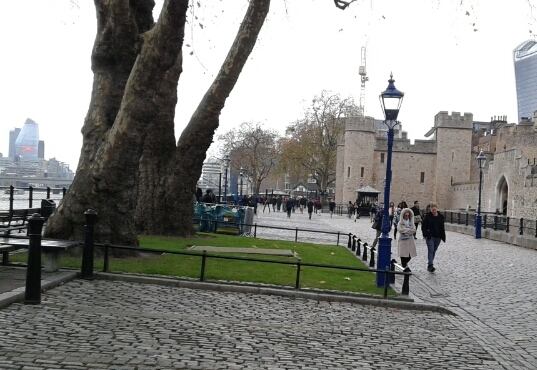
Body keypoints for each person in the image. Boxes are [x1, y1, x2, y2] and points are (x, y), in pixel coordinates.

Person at [421, 203, 446, 272]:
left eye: (434, 209)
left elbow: (442, 227)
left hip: (438, 237)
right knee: (431, 250)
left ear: (437, 209)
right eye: (432, 210)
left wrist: (442, 236)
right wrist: (426, 234)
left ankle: (430, 262)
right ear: (430, 209)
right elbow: (423, 226)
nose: (433, 211)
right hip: (430, 236)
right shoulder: (427, 217)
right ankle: (430, 264)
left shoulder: (441, 217)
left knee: (434, 250)